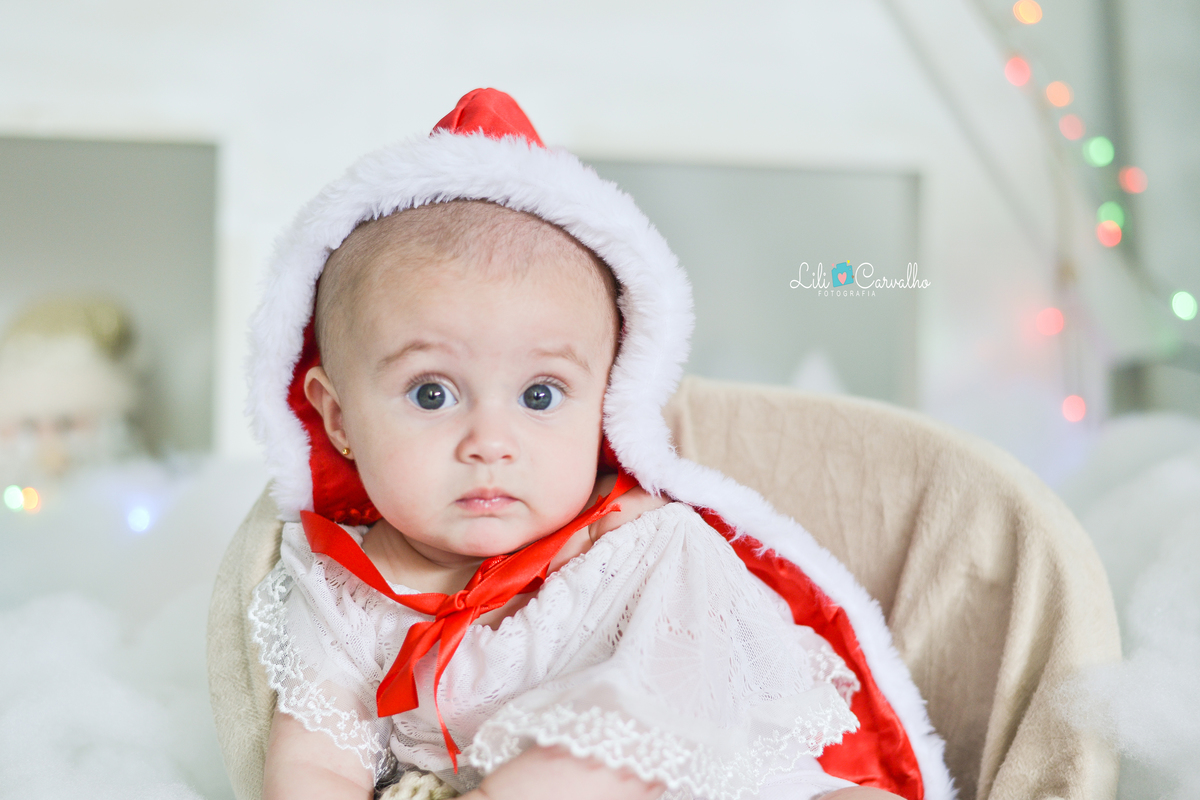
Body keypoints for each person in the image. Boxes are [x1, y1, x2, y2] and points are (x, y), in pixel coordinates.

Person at [245, 90, 954, 800]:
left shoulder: (641, 549)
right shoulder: (338, 589)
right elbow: (315, 760)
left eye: (540, 396)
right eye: (432, 393)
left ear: (608, 404)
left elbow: (639, 730)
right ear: (336, 418)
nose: (490, 443)